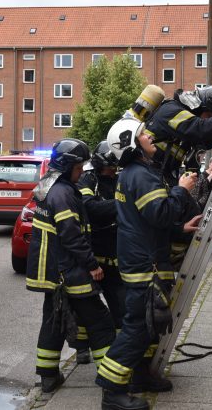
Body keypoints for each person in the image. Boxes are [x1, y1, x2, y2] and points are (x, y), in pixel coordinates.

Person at [96, 118, 201, 410]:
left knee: (148, 325)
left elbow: (147, 220)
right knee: (137, 328)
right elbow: (160, 213)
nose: (151, 136)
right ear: (132, 143)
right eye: (144, 134)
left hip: (142, 259)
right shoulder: (141, 176)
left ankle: (140, 376)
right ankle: (112, 391)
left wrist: (180, 230)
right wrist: (182, 190)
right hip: (146, 264)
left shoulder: (135, 173)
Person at [26, 138, 115, 393]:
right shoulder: (63, 193)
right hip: (68, 271)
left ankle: (48, 375)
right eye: (78, 167)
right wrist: (91, 265)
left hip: (53, 272)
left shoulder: (49, 186)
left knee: (54, 321)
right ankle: (112, 379)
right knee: (100, 322)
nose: (81, 172)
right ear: (67, 167)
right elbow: (71, 236)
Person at [73, 140, 124, 364]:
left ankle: (121, 350)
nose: (112, 172)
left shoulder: (119, 179)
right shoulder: (88, 179)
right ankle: (81, 347)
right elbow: (90, 208)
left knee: (120, 306)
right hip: (93, 254)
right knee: (87, 306)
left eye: (114, 168)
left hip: (115, 253)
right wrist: (122, 205)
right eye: (108, 168)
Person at [190, 155, 212, 254]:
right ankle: (198, 245)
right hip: (203, 204)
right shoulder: (203, 174)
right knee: (202, 224)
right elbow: (202, 188)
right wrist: (211, 175)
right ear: (209, 164)